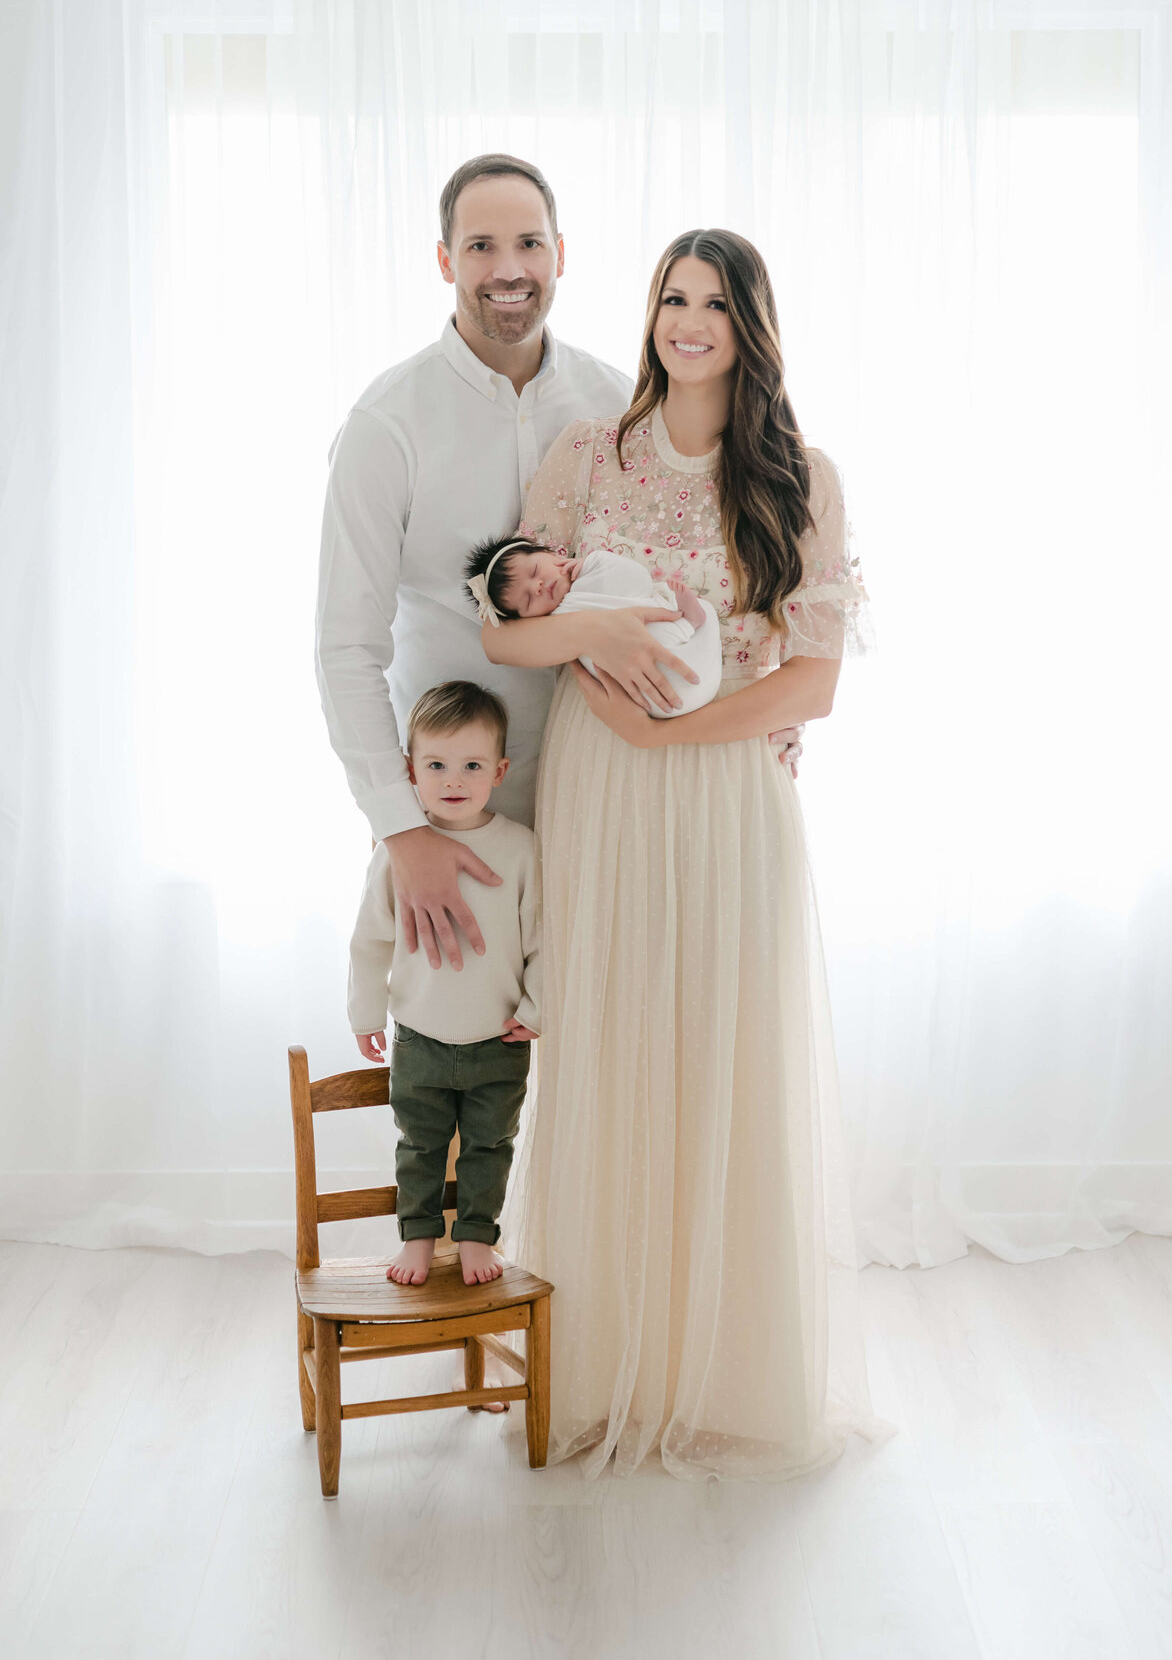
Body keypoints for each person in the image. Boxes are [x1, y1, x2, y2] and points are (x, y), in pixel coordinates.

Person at [485, 228, 889, 1480]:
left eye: (714, 301)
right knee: (609, 1054)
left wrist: (676, 733)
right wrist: (598, 648)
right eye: (673, 295)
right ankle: (607, 1364)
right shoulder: (587, 456)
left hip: (723, 795)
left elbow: (813, 687)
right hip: (602, 792)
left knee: (724, 1061)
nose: (688, 319)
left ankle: (726, 1369)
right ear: (650, 309)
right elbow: (508, 636)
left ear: (750, 325)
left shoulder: (802, 478)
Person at [317, 152, 664, 973]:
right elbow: (346, 646)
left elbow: (683, 575)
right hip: (450, 815)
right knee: (458, 1083)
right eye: (480, 247)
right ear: (444, 260)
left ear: (560, 253)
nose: (509, 270)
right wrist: (404, 833)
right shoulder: (385, 424)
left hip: (608, 791)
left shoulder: (622, 405)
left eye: (529, 244)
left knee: (597, 1064)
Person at [347, 682, 540, 1290]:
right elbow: (370, 940)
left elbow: (545, 939)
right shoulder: (395, 854)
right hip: (419, 1037)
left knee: (491, 1147)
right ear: (410, 771)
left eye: (472, 765)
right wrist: (365, 1014)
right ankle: (418, 1237)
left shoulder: (520, 850)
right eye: (435, 765)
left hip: (499, 1038)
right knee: (419, 1146)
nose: (453, 779)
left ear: (500, 771)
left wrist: (540, 1007)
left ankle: (479, 1235)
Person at [462, 533, 722, 718]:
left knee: (663, 614)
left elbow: (637, 580)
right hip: (640, 700)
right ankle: (689, 622)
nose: (538, 586)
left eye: (534, 572)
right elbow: (500, 641)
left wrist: (591, 563)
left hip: (686, 666)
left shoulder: (590, 571)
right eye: (528, 600)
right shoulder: (556, 621)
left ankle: (689, 622)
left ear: (551, 552)